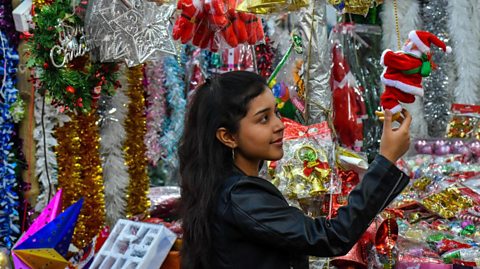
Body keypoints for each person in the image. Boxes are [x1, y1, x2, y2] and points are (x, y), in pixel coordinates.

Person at [178, 71, 411, 269]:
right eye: (263, 119)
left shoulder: (226, 186)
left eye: (276, 112)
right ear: (228, 136)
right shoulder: (240, 196)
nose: (279, 125)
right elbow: (331, 237)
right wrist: (386, 160)